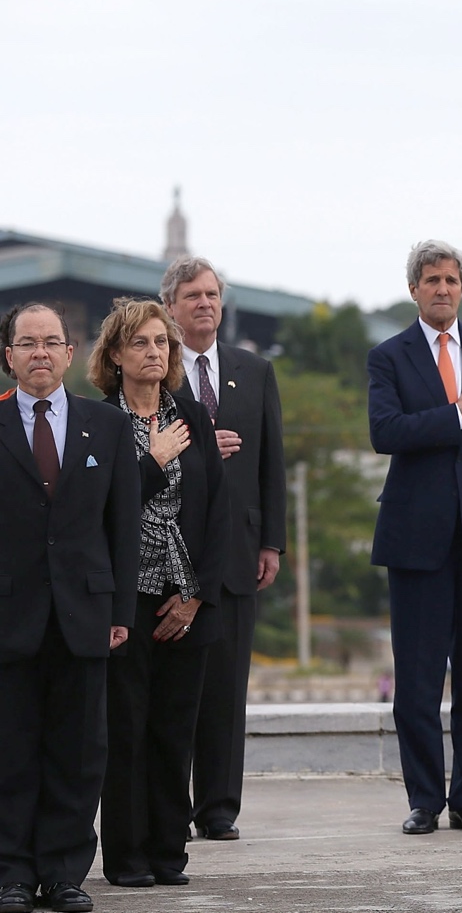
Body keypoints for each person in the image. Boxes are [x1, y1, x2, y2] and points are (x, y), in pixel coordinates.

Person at [0, 302, 140, 913]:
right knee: (11, 752)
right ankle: (10, 873)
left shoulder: (105, 427)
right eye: (26, 343)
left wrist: (123, 611)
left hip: (86, 614)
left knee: (79, 754)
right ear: (8, 355)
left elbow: (123, 527)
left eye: (50, 341)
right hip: (10, 617)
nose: (39, 353)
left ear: (69, 352)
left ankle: (63, 874)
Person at [367, 240, 462, 835]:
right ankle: (424, 799)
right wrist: (457, 414)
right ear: (414, 289)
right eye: (432, 280)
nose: (442, 288)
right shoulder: (389, 357)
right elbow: (385, 431)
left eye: (451, 279)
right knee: (418, 683)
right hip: (417, 540)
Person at [90, 298, 228, 888]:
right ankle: (126, 857)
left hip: (186, 597)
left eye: (162, 343)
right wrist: (151, 460)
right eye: (141, 342)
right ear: (115, 355)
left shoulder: (193, 416)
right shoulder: (97, 422)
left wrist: (197, 596)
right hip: (127, 600)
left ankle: (170, 851)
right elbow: (98, 511)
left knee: (176, 730)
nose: (155, 352)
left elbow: (220, 512)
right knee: (126, 731)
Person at [162, 257, 287, 842]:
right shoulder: (152, 369)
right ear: (171, 306)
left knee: (226, 690)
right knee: (175, 687)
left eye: (212, 294)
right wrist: (198, 446)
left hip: (239, 550)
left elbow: (272, 464)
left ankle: (218, 808)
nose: (204, 303)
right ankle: (168, 807)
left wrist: (272, 543)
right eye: (192, 295)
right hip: (168, 552)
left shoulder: (254, 371)